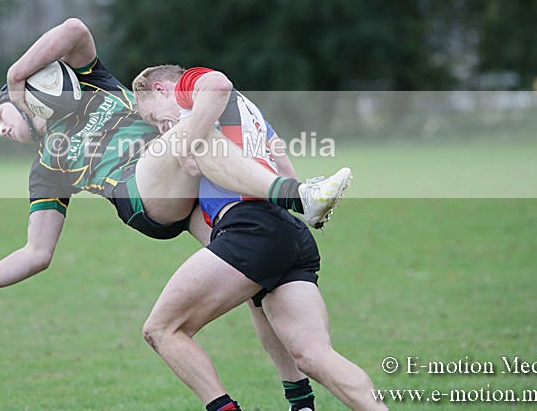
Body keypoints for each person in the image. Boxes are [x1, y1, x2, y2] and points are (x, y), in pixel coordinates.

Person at [0, 18, 352, 409]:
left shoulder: (96, 84)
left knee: (262, 282)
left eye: (4, 114)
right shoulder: (47, 169)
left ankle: (300, 399)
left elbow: (74, 29)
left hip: (191, 195)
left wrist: (15, 75)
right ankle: (297, 196)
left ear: (35, 97)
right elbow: (37, 253)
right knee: (192, 131)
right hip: (146, 196)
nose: (1, 127)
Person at [132, 65, 385, 411]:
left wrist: (186, 145)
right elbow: (284, 168)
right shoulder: (249, 110)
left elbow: (218, 83)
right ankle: (309, 405)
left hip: (249, 229)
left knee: (161, 329)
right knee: (314, 355)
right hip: (287, 232)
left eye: (154, 117)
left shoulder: (189, 91)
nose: (161, 128)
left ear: (161, 89)